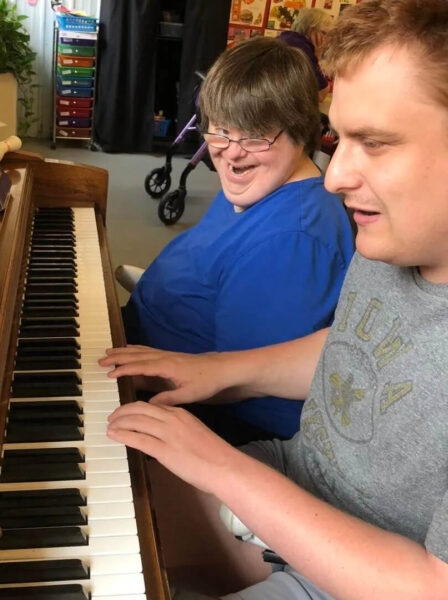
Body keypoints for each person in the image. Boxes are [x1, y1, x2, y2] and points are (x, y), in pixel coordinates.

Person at [102, 1, 448, 598]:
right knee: (82, 498)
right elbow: (355, 350)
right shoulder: (386, 242)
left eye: (376, 143)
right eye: (340, 139)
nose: (334, 177)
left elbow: (431, 585)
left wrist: (224, 468)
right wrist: (214, 371)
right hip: (291, 479)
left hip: (368, 572)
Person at [123, 37, 354, 444]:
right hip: (141, 344)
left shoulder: (293, 239)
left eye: (254, 136)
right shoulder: (260, 186)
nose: (230, 153)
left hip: (191, 415)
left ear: (300, 131)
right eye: (220, 129)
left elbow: (240, 389)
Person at [278, 8, 333, 102]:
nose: (327, 39)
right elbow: (321, 94)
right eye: (324, 33)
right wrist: (317, 55)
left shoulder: (285, 37)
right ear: (311, 31)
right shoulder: (302, 49)